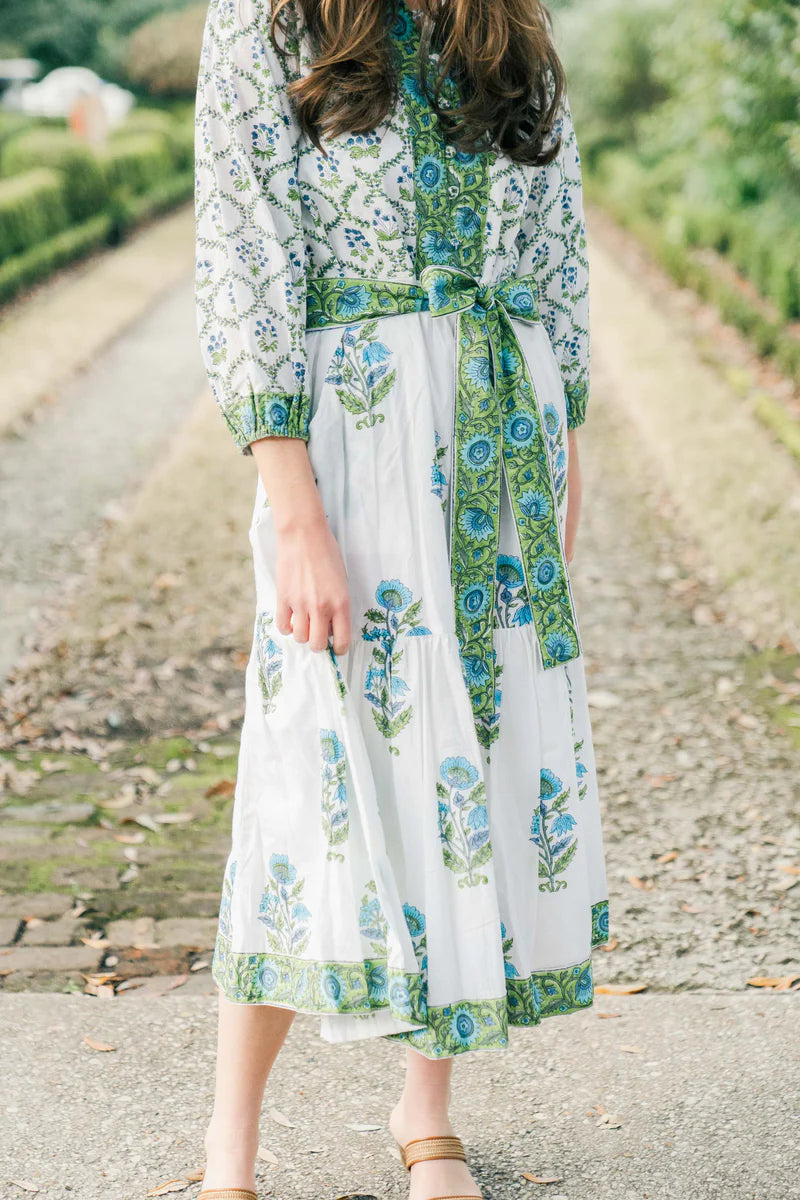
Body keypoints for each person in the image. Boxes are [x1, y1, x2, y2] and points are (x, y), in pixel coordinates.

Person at [193, 0, 610, 1196]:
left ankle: (425, 1111)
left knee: (471, 753)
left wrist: (566, 450)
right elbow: (241, 249)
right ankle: (230, 1141)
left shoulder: (506, 21)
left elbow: (555, 242)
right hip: (349, 432)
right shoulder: (267, 17)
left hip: (503, 421)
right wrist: (293, 509)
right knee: (306, 761)